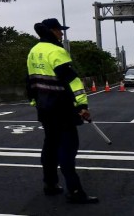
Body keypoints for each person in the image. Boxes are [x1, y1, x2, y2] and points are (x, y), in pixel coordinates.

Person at [26, 18, 99, 204]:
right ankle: (74, 191)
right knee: (67, 148)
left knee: (50, 146)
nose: (62, 33)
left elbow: (30, 81)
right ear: (52, 31)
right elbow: (72, 81)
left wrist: (35, 102)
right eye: (60, 30)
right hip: (62, 109)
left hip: (44, 109)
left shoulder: (33, 51)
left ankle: (50, 184)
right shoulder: (57, 51)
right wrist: (82, 106)